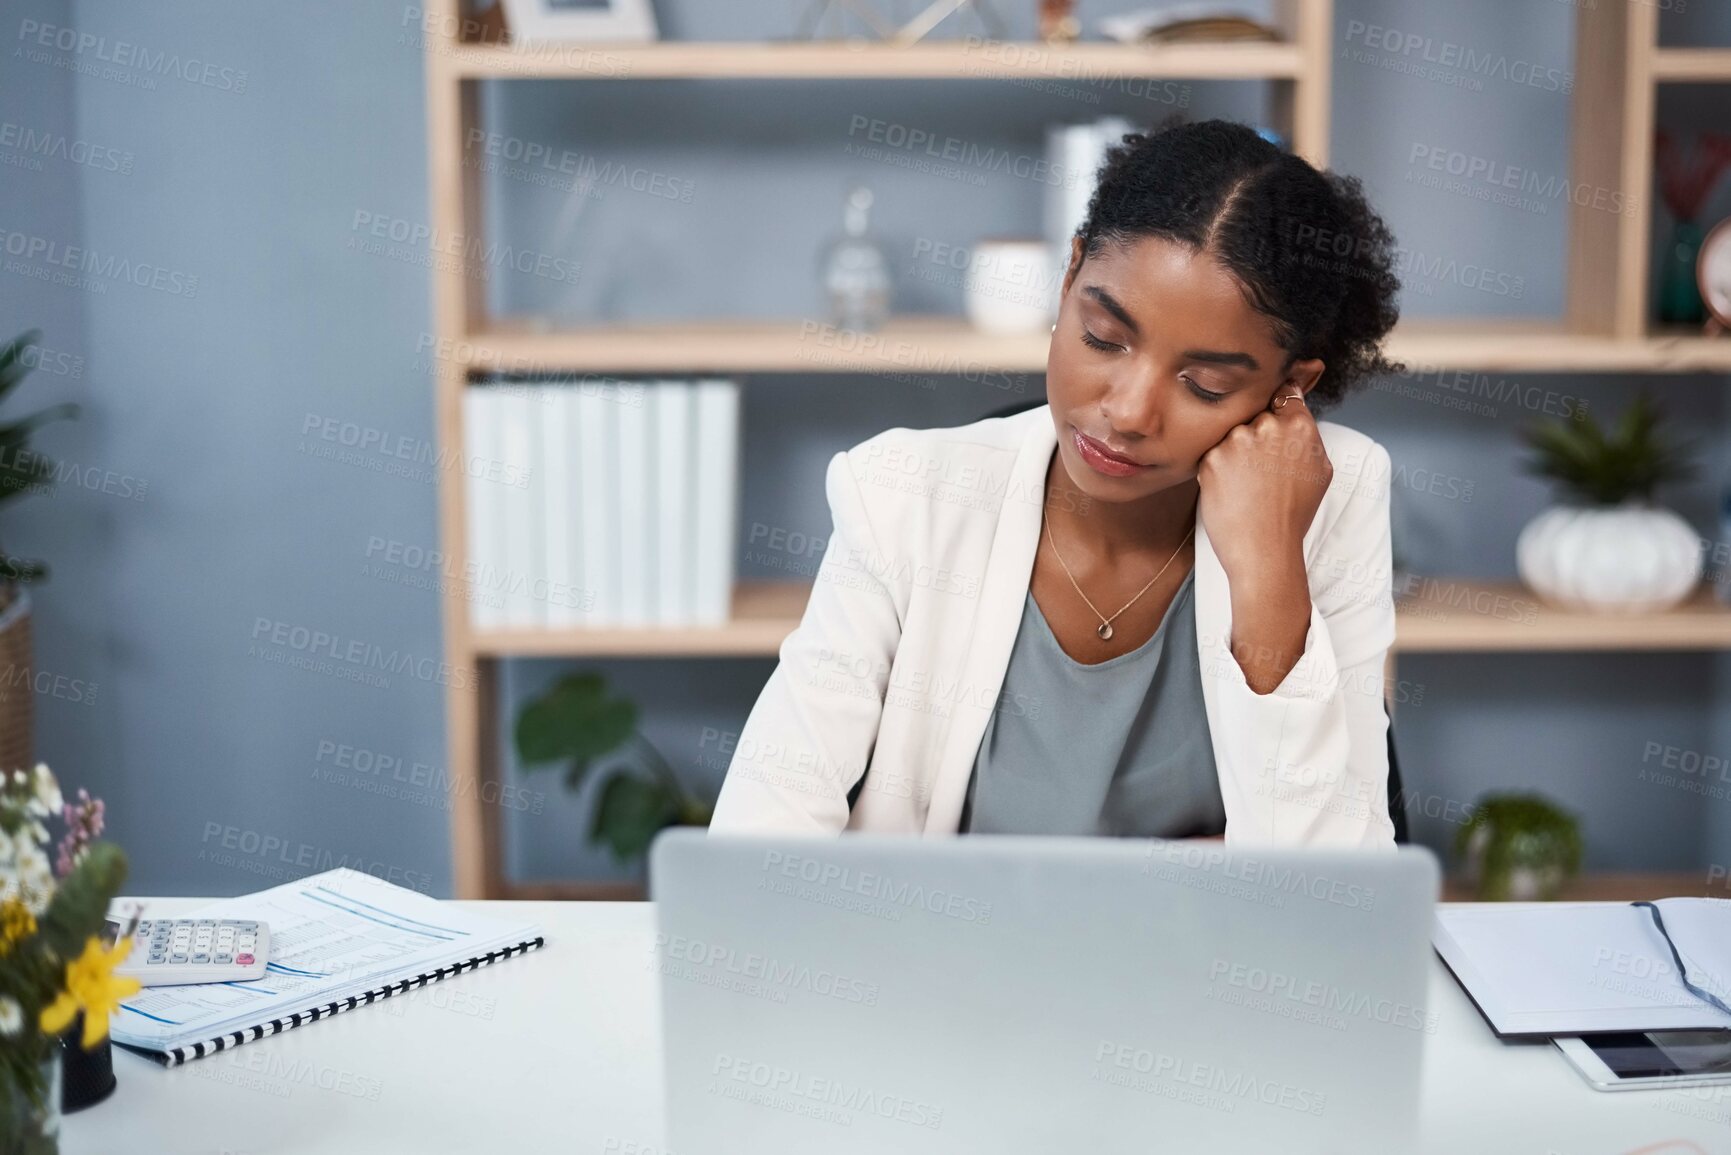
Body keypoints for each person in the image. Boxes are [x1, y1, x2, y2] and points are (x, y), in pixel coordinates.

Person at [709, 118, 1404, 847]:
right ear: (1069, 277)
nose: (1128, 412)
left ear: (1288, 388)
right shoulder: (903, 495)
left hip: (1196, 965)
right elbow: (758, 839)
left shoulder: (1332, 497)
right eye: (1103, 337)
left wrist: (1268, 574)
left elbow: (1334, 895)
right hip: (944, 955)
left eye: (1201, 384)